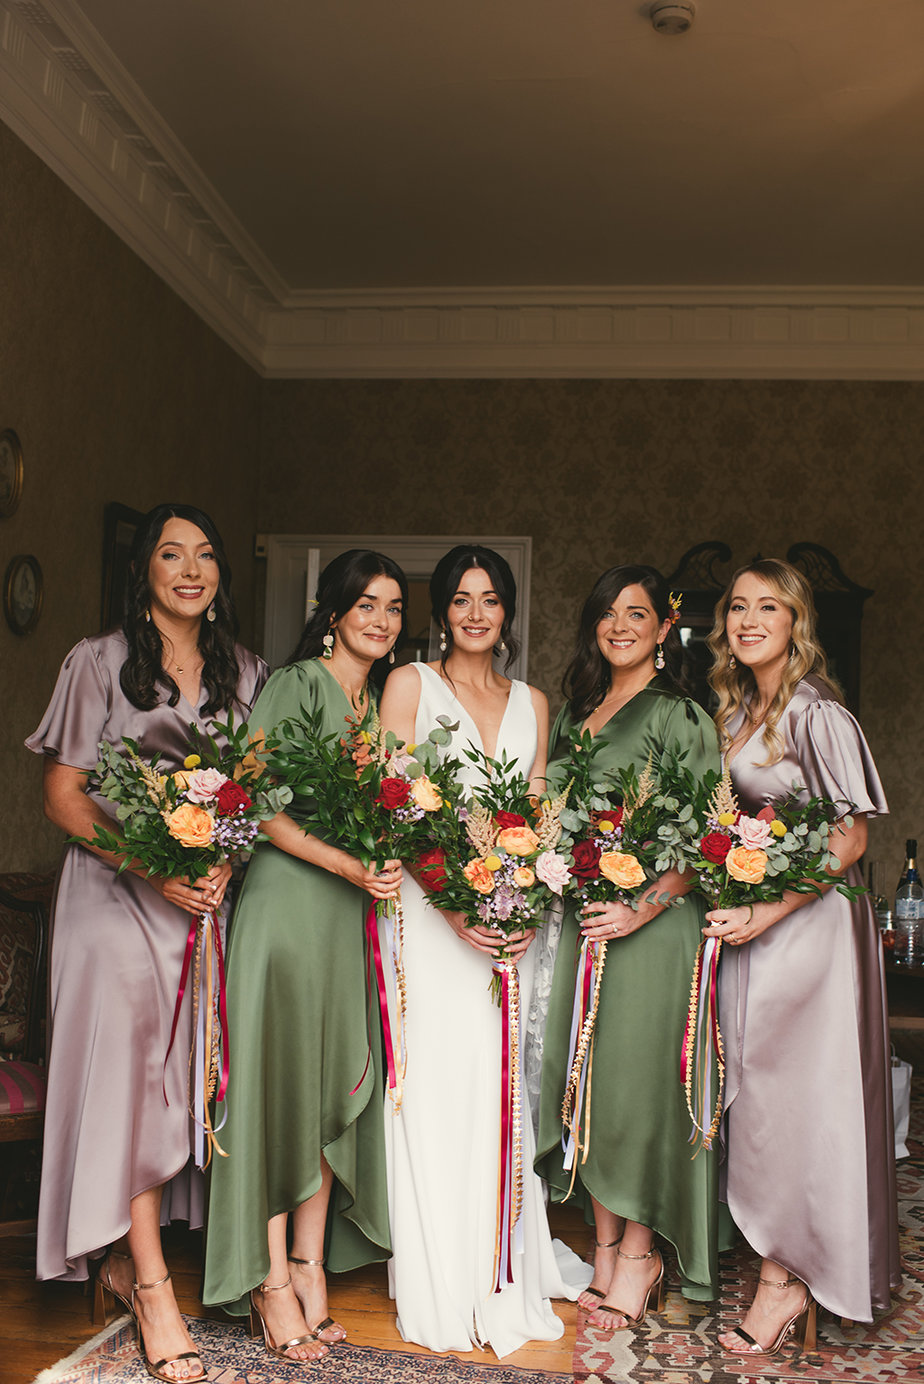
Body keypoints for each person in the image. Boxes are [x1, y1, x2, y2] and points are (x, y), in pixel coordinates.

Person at [27, 504, 267, 1383]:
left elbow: (258, 797)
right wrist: (150, 863)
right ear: (147, 572)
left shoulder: (247, 672)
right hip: (111, 891)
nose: (192, 569)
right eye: (173, 554)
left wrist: (224, 870)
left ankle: (132, 1256)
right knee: (130, 1069)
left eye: (207, 554)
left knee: (181, 1074)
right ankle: (154, 1285)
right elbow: (64, 795)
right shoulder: (97, 662)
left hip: (200, 902)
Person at [378, 545, 589, 1357]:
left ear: (507, 612)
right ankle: (441, 1267)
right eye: (461, 598)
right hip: (433, 919)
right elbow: (396, 803)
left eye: (489, 599)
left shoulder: (533, 700)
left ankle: (501, 1257)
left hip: (508, 922)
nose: (475, 612)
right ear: (443, 611)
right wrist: (457, 906)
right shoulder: (411, 685)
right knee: (437, 1078)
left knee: (498, 1083)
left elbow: (537, 823)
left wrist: (527, 903)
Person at [202, 550, 405, 1365]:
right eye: (366, 603)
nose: (381, 619)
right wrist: (349, 865)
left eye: (393, 607)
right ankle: (269, 1279)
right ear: (332, 610)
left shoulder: (377, 706)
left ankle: (310, 1267)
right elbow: (255, 802)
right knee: (282, 1088)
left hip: (346, 917)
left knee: (330, 1084)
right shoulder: (297, 684)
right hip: (289, 909)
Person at [703, 558, 901, 1354]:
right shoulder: (737, 711)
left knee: (795, 1103)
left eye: (769, 608)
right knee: (757, 1099)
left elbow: (851, 836)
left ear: (796, 623)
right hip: (758, 928)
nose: (750, 620)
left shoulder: (819, 716)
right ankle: (779, 1255)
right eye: (738, 607)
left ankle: (786, 1279)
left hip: (808, 936)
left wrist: (768, 906)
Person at [535, 565, 722, 1329]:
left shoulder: (681, 715)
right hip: (588, 921)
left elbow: (706, 838)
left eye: (636, 613)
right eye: (608, 612)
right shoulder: (579, 711)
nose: (620, 625)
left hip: (650, 929)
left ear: (662, 628)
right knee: (592, 1087)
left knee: (641, 1091)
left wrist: (640, 910)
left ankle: (641, 1255)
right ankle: (605, 1247)